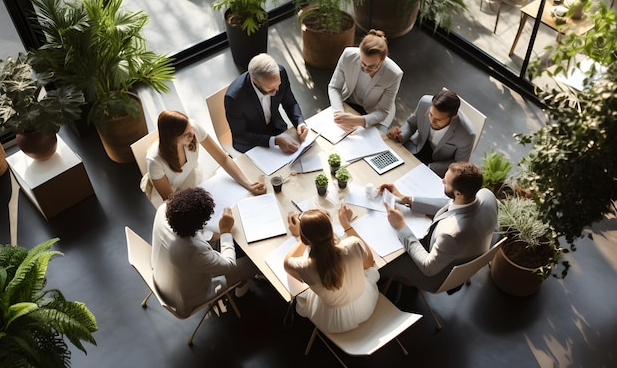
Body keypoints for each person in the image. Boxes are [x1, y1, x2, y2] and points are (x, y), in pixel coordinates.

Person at [379, 161, 498, 293]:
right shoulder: (487, 196)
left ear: (458, 193)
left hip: (436, 276)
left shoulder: (451, 234)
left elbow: (428, 267)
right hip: (466, 251)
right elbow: (450, 204)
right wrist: (407, 199)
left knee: (385, 263)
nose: (442, 181)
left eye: (446, 182)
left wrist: (401, 226)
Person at [151, 187, 258, 318]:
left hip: (162, 274)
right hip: (183, 298)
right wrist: (225, 231)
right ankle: (243, 282)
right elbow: (229, 265)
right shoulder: (194, 249)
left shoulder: (163, 209)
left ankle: (241, 280)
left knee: (214, 243)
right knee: (253, 264)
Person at [283, 204, 380, 334]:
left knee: (297, 287)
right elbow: (369, 263)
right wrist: (346, 223)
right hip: (365, 305)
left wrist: (301, 237)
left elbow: (286, 263)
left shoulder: (306, 266)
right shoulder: (353, 244)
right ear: (331, 230)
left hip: (334, 321)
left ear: (306, 240)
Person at [146, 110, 265, 207]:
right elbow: (171, 200)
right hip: (173, 195)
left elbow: (222, 158)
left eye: (190, 129)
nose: (192, 134)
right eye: (185, 134)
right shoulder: (155, 161)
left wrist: (247, 184)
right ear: (171, 138)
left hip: (192, 179)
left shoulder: (191, 128)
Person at [225, 53, 308, 154]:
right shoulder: (234, 98)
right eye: (271, 89)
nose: (277, 90)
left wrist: (300, 122)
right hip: (251, 142)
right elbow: (240, 135)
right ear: (255, 82)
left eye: (278, 85)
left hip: (276, 128)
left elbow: (290, 103)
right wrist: (274, 141)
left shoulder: (280, 72)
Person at [387, 89, 475, 177]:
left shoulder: (467, 135)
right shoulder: (424, 102)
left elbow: (459, 164)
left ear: (453, 117)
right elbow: (411, 124)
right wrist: (401, 136)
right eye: (431, 114)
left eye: (438, 119)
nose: (432, 121)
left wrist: (428, 167)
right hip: (415, 148)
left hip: (437, 167)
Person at [328, 29, 403, 131]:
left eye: (372, 67)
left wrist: (359, 120)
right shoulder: (347, 56)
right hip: (349, 100)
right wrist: (339, 113)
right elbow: (334, 87)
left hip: (376, 113)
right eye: (363, 64)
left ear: (383, 59)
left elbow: (383, 112)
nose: (366, 70)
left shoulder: (394, 74)